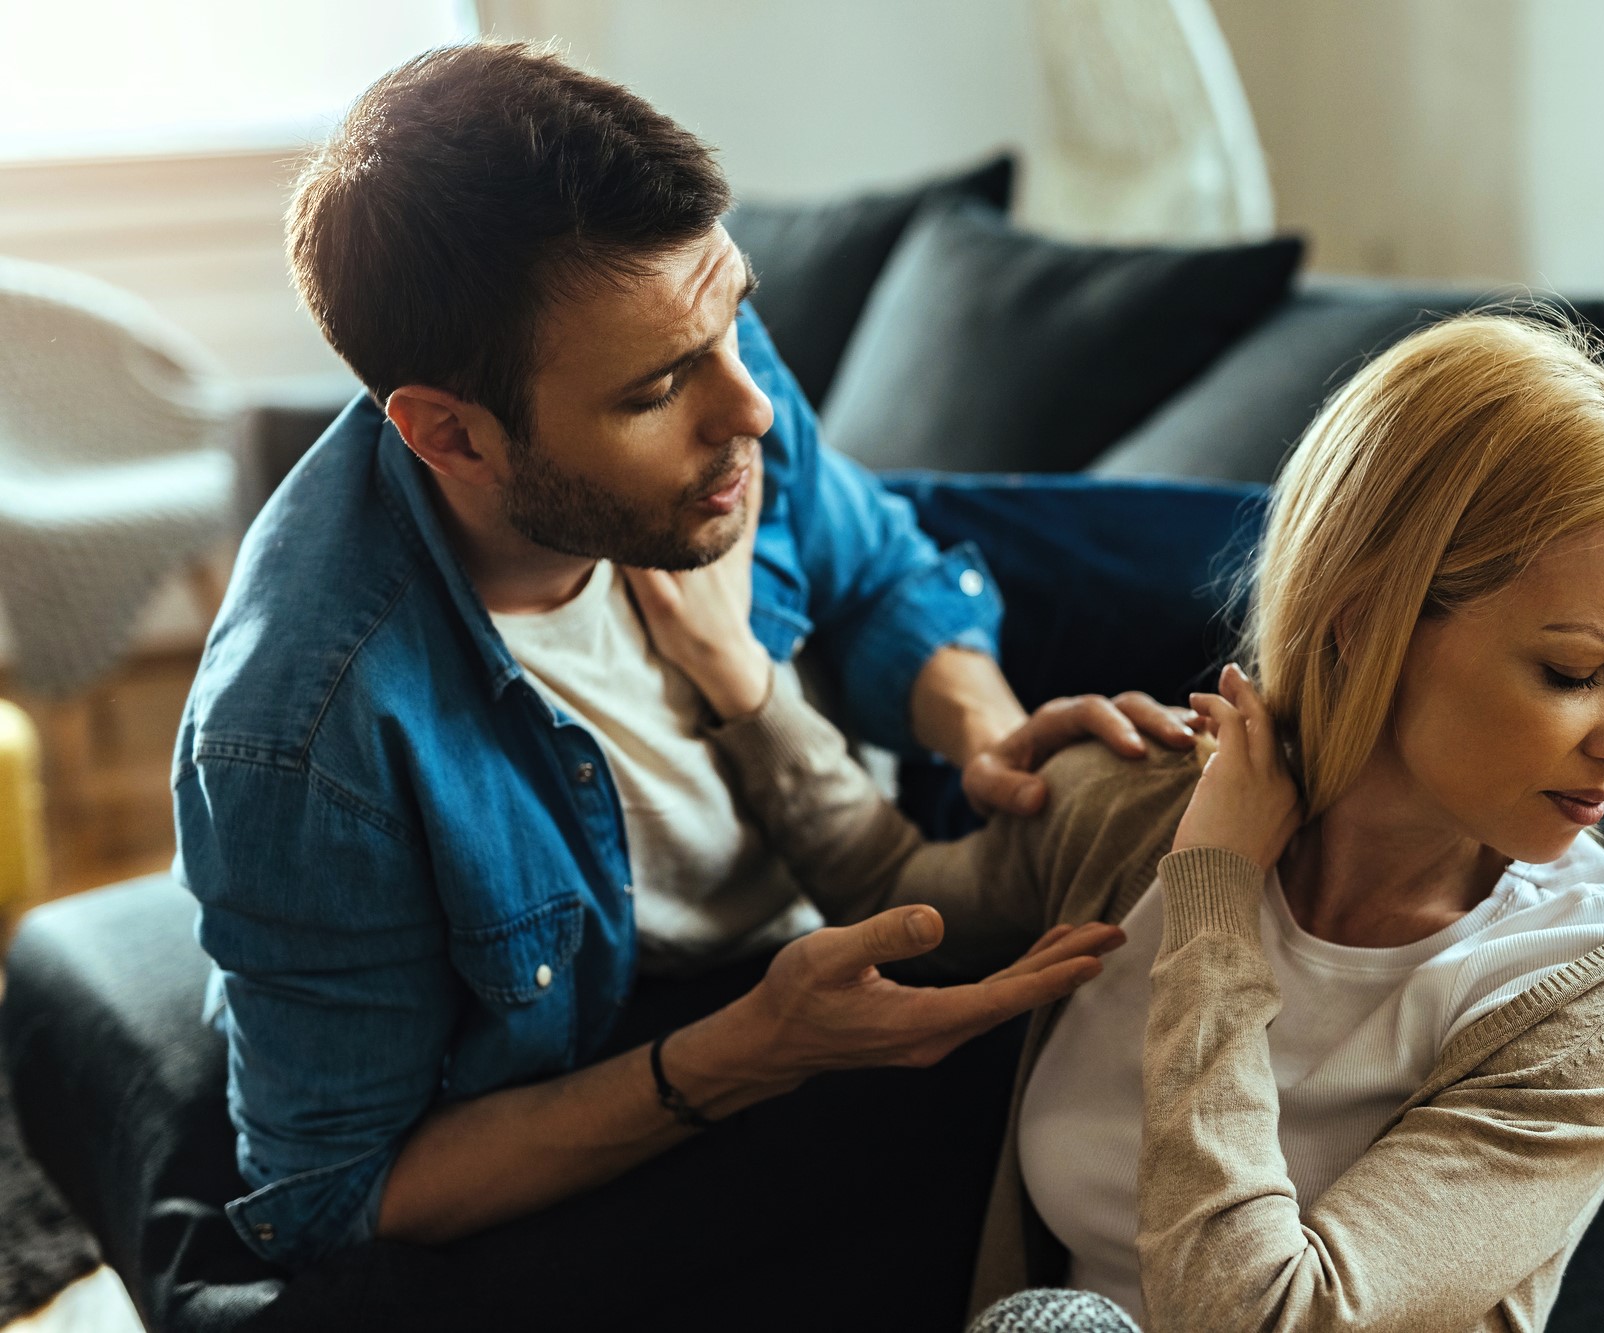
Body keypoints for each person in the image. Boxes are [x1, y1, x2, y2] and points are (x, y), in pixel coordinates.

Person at [175, 41, 1192, 1285]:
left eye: (731, 322)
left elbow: (877, 572)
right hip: (702, 1022)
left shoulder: (711, 358)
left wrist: (988, 742)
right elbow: (338, 1186)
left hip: (865, 819)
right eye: (659, 386)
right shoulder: (307, 741)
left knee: (1304, 557)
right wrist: (750, 1049)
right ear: (450, 434)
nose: (749, 405)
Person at [634, 311, 1604, 1331]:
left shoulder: (1594, 992)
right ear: (1362, 625)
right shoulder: (1151, 799)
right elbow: (902, 898)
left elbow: (1260, 1315)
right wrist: (744, 686)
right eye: (1577, 671)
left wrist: (1216, 904)